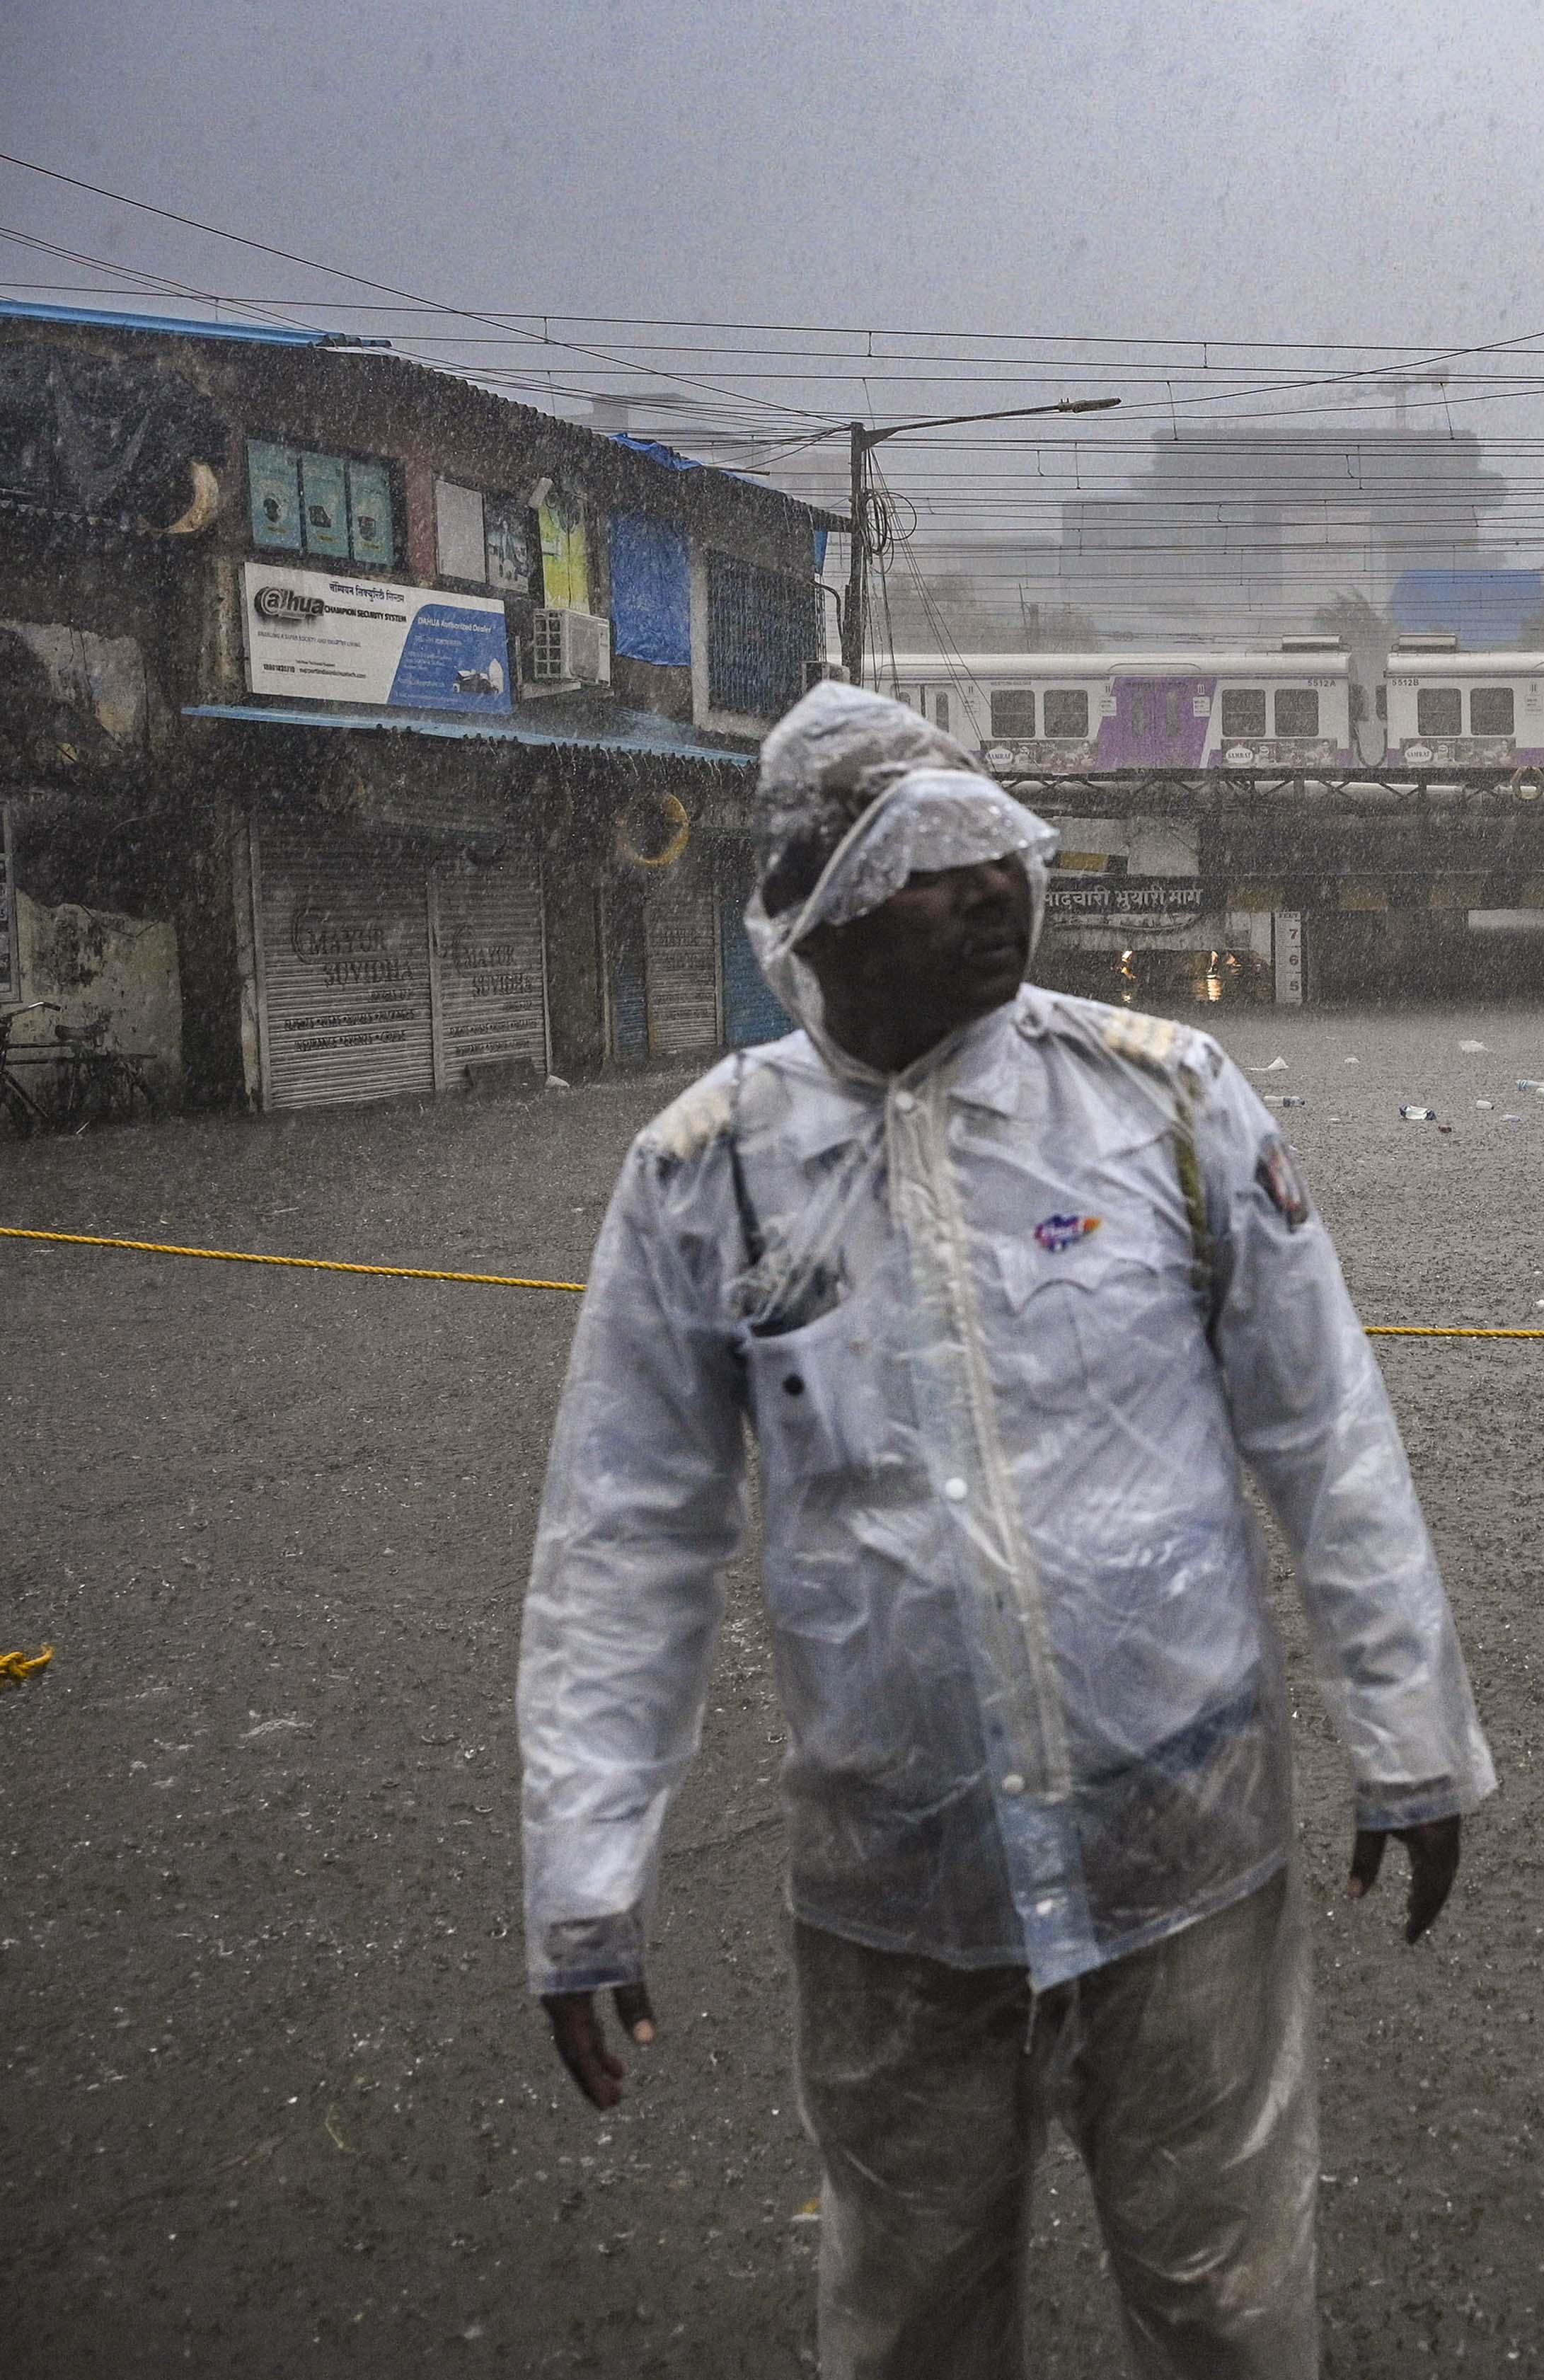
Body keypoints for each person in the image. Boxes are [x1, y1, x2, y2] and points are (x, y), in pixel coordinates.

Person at [518, 680, 1494, 2380]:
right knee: (909, 2321)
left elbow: (1324, 1433)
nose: (990, 890)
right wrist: (584, 1879)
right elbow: (627, 1540)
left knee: (1231, 2312)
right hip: (898, 1890)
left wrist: (1412, 1738)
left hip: (1182, 1857)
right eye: (928, 861)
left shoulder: (1162, 1101)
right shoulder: (703, 1174)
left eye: (997, 849)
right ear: (813, 896)